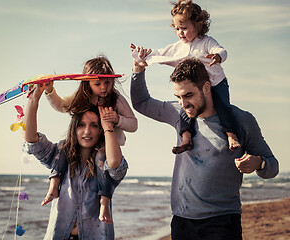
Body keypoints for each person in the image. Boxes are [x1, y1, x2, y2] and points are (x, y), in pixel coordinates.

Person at [130, 57, 279, 240]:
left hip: (222, 222)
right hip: (182, 221)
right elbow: (141, 102)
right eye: (178, 97)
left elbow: (273, 167)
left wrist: (258, 163)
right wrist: (138, 69)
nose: (183, 104)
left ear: (206, 88)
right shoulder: (178, 114)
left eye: (188, 95)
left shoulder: (242, 120)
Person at [131, 0, 240, 154]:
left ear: (198, 25)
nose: (180, 32)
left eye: (184, 28)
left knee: (223, 107)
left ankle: (231, 135)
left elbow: (221, 50)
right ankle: (186, 139)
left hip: (216, 82)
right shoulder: (178, 47)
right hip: (194, 89)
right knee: (185, 110)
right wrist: (141, 54)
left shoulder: (206, 42)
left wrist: (218, 56)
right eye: (177, 28)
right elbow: (159, 54)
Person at [23, 83, 128, 239]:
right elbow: (32, 141)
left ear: (100, 130)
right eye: (81, 125)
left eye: (94, 125)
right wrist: (33, 101)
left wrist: (108, 127)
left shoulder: (105, 159)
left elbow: (115, 166)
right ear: (74, 128)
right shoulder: (59, 155)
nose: (87, 131)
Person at [42, 56, 137, 224]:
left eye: (107, 83)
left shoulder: (116, 98)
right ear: (87, 83)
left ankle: (104, 202)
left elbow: (134, 124)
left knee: (102, 161)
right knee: (64, 146)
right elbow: (63, 106)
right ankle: (53, 186)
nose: (103, 88)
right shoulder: (82, 95)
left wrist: (117, 119)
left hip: (106, 146)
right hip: (83, 143)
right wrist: (50, 92)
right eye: (98, 83)